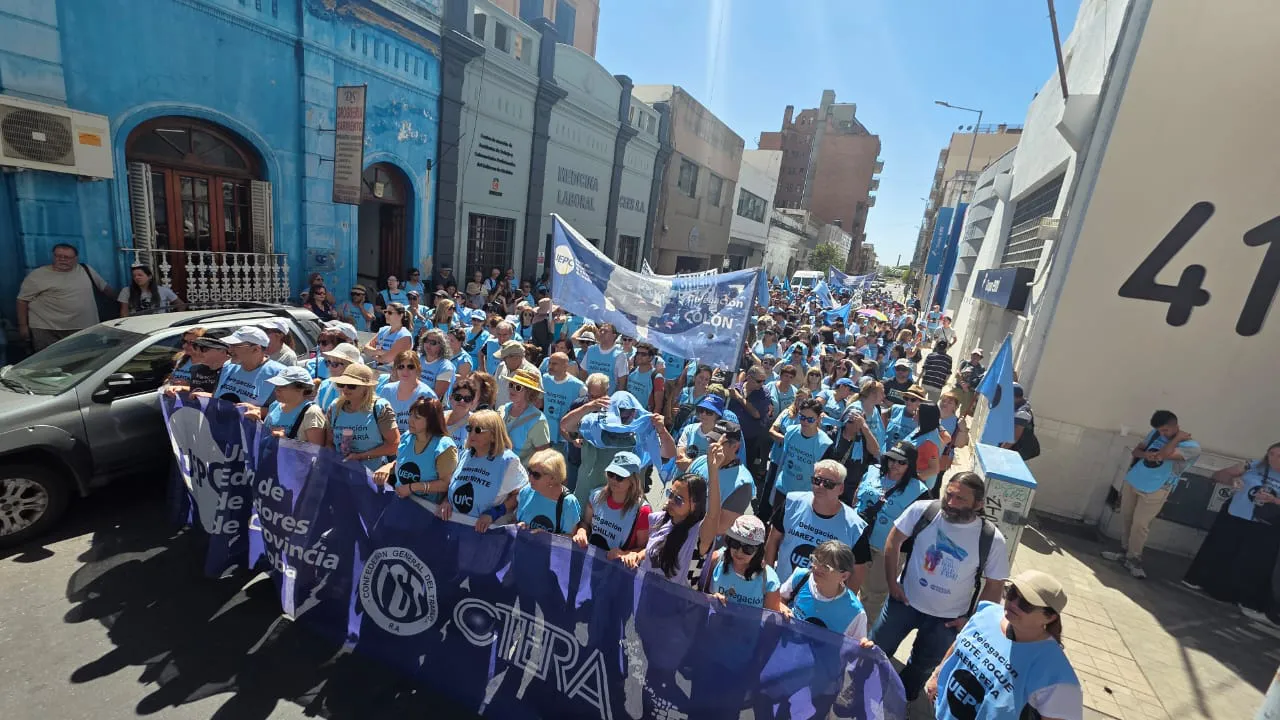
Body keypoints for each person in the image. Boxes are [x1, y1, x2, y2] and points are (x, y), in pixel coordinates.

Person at [872, 472, 1009, 703]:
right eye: (949, 495)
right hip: (903, 602)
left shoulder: (991, 539)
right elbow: (893, 541)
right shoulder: (923, 511)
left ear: (978, 504)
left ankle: (899, 702)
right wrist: (892, 583)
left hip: (947, 621)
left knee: (920, 669)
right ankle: (865, 690)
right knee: (876, 650)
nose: (951, 503)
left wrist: (972, 622)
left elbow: (995, 586)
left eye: (960, 499)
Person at [926, 570, 1082, 720]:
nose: (1013, 604)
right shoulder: (987, 613)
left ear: (1050, 617)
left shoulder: (1058, 675)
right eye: (1012, 593)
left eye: (1026, 604)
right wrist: (936, 676)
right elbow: (958, 644)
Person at [1183, 442, 1280, 622]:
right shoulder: (1252, 465)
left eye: (1279, 456)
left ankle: (1248, 601)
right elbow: (1218, 476)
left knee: (1255, 563)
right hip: (1236, 515)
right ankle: (1205, 583)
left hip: (1266, 525)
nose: (1273, 459)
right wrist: (1232, 480)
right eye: (1271, 454)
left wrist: (1274, 500)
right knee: (1222, 550)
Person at [1101, 410, 1200, 579]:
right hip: (1135, 480)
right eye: (1159, 430)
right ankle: (1125, 552)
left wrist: (1176, 439)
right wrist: (1145, 454)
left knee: (1140, 525)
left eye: (1165, 430)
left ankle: (1134, 559)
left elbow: (1163, 455)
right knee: (1127, 517)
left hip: (1157, 488)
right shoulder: (1154, 434)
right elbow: (1136, 452)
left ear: (1176, 426)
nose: (1162, 434)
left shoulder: (1191, 447)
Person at [765, 458, 870, 588]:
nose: (821, 486)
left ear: (841, 489)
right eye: (817, 480)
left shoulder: (856, 527)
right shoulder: (792, 502)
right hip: (781, 588)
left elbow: (858, 570)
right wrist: (769, 580)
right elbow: (773, 540)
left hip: (824, 597)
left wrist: (845, 598)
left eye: (828, 484)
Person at [854, 441, 927, 623]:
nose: (894, 464)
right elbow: (857, 496)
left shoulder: (919, 491)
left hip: (884, 550)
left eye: (901, 462)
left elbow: (921, 528)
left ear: (910, 465)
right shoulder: (872, 471)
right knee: (848, 585)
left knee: (873, 597)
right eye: (892, 459)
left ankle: (863, 633)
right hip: (857, 540)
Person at [620, 455, 721, 583]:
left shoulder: (698, 536)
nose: (671, 501)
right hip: (644, 591)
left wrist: (713, 470)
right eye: (670, 494)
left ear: (694, 505)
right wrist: (637, 555)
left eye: (678, 499)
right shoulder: (660, 520)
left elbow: (713, 516)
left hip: (676, 596)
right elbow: (656, 549)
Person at [438, 409, 528, 531]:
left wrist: (494, 513)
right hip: (455, 529)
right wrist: (446, 501)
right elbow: (453, 486)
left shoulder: (508, 461)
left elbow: (521, 494)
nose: (472, 434)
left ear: (493, 436)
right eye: (469, 429)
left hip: (487, 534)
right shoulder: (465, 454)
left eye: (478, 430)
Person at [17, 243, 116, 351]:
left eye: (67, 257)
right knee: (51, 359)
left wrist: (123, 302)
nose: (62, 260)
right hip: (48, 329)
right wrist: (23, 326)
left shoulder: (85, 270)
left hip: (83, 327)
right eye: (58, 256)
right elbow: (22, 301)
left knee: (85, 357)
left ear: (76, 258)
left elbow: (106, 289)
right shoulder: (38, 275)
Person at [778, 539, 869, 640]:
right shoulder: (801, 577)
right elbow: (779, 599)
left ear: (844, 576)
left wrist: (865, 644)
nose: (817, 568)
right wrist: (781, 607)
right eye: (816, 560)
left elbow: (857, 645)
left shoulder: (855, 612)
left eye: (826, 567)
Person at [372, 396, 459, 501]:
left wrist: (413, 487)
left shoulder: (444, 447)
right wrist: (388, 468)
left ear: (431, 421)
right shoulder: (406, 437)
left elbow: (447, 484)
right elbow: (400, 461)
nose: (410, 420)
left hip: (427, 508)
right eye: (410, 415)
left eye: (417, 417)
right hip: (400, 503)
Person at [573, 450, 651, 554]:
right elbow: (586, 524)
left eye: (620, 477)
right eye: (611, 474)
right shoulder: (596, 496)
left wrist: (623, 554)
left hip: (617, 563)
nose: (613, 479)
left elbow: (644, 549)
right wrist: (581, 532)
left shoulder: (642, 511)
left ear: (633, 481)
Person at [325, 364, 400, 471]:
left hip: (371, 475)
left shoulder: (380, 408)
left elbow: (394, 445)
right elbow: (329, 442)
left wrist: (361, 456)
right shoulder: (334, 407)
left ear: (366, 388)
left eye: (351, 386)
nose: (345, 389)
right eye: (341, 384)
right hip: (340, 473)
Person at [685, 420, 755, 536]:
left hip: (701, 539)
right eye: (710, 440)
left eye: (718, 442)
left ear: (735, 446)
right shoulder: (700, 461)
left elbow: (721, 527)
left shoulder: (743, 483)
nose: (711, 445)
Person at [702, 515, 782, 612]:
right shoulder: (715, 560)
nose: (739, 552)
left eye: (748, 548)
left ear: (758, 550)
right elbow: (699, 594)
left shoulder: (769, 580)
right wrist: (711, 598)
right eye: (735, 543)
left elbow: (771, 618)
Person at [768, 397, 834, 508]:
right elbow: (783, 460)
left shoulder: (825, 444)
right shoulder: (791, 432)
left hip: (804, 496)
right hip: (783, 487)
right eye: (802, 417)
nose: (805, 422)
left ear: (818, 419)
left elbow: (824, 477)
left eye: (810, 419)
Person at [244, 366, 328, 445]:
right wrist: (257, 422)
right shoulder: (275, 405)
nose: (277, 389)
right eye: (277, 385)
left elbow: (316, 451)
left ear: (300, 389)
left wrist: (285, 441)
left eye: (283, 386)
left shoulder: (312, 413)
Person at [513, 449, 581, 535]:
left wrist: (547, 537)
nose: (530, 478)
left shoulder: (568, 502)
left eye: (536, 475)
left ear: (553, 478)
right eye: (529, 471)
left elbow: (571, 537)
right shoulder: (526, 491)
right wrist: (518, 526)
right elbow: (516, 520)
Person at [215, 326, 286, 407]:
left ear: (256, 349)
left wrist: (259, 411)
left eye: (235, 346)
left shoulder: (279, 374)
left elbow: (288, 409)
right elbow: (216, 396)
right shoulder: (228, 366)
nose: (230, 350)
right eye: (230, 345)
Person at [729, 365, 773, 480]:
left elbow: (756, 413)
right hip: (731, 437)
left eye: (764, 381)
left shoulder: (764, 393)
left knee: (747, 467)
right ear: (748, 377)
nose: (762, 384)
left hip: (750, 440)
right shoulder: (735, 388)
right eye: (759, 381)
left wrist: (739, 398)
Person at [500, 367, 551, 464]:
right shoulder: (502, 410)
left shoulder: (538, 420)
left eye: (518, 387)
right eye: (511, 385)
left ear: (529, 392)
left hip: (521, 470)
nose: (512, 389)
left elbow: (543, 456)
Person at [377, 350, 436, 433]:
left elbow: (432, 427)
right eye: (401, 367)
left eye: (410, 367)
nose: (405, 371)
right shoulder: (387, 390)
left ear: (418, 368)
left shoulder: (427, 395)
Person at [542, 352, 586, 455]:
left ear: (565, 366)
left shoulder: (578, 386)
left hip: (565, 438)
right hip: (546, 433)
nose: (550, 366)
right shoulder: (545, 379)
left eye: (554, 364)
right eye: (549, 363)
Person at [576, 322, 628, 392]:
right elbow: (583, 373)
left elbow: (622, 382)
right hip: (589, 395)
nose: (602, 333)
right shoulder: (591, 350)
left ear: (614, 336)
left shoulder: (620, 355)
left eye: (605, 331)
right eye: (601, 330)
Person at [117, 264, 183, 317]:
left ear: (149, 276)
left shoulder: (163, 290)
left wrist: (174, 318)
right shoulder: (126, 291)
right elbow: (124, 312)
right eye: (134, 276)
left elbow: (181, 305)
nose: (137, 277)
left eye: (140, 275)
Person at [909, 403, 947, 493]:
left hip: (917, 488)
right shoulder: (921, 429)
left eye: (917, 411)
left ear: (924, 416)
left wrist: (909, 481)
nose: (914, 411)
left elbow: (934, 469)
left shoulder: (929, 442)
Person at [491, 339, 539, 407]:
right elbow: (495, 389)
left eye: (504, 357)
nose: (502, 360)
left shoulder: (532, 372)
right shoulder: (501, 366)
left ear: (516, 357)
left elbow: (537, 401)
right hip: (499, 412)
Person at [1000, 383, 1041, 461]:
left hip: (1024, 449)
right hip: (1016, 446)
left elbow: (1013, 438)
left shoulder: (1022, 413)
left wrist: (998, 452)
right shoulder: (1020, 403)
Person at [365, 302, 413, 368]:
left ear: (401, 315)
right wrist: (381, 352)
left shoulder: (404, 335)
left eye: (390, 313)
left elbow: (387, 359)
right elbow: (366, 349)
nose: (386, 315)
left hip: (392, 372)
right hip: (377, 368)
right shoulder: (383, 330)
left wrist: (374, 354)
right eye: (385, 312)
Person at [315, 342, 360, 410]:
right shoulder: (324, 386)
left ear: (350, 367)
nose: (329, 367)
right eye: (328, 362)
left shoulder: (360, 389)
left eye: (335, 364)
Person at [627, 342, 665, 414]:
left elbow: (658, 406)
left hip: (644, 416)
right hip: (628, 415)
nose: (639, 356)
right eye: (637, 353)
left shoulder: (657, 377)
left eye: (643, 354)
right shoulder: (632, 372)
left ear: (651, 357)